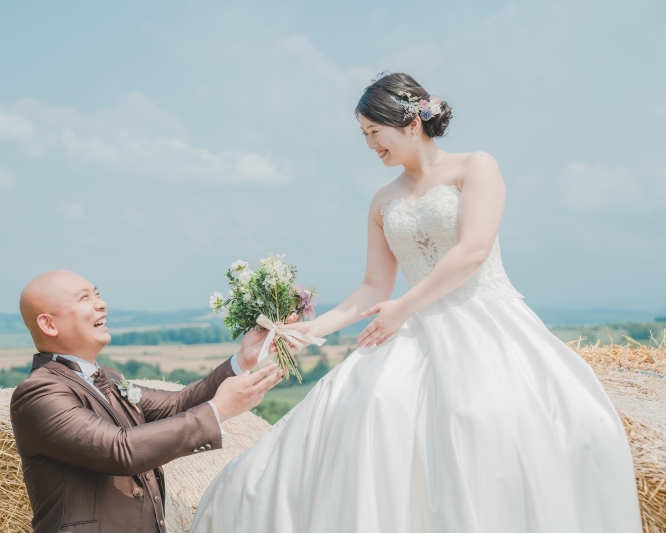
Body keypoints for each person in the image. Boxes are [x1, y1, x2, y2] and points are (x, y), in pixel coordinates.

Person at [190, 73, 642, 533]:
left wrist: (405, 307)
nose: (369, 145)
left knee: (489, 421)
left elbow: (473, 250)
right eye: (363, 135)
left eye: (374, 132)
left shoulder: (476, 166)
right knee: (374, 409)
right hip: (406, 327)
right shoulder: (382, 201)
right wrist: (308, 330)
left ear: (410, 123)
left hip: (486, 320)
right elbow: (372, 287)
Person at [10, 269, 284, 533]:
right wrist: (219, 410)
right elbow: (120, 450)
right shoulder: (38, 394)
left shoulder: (108, 378)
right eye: (85, 299)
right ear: (48, 324)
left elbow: (177, 405)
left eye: (97, 295)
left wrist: (242, 359)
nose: (101, 304)